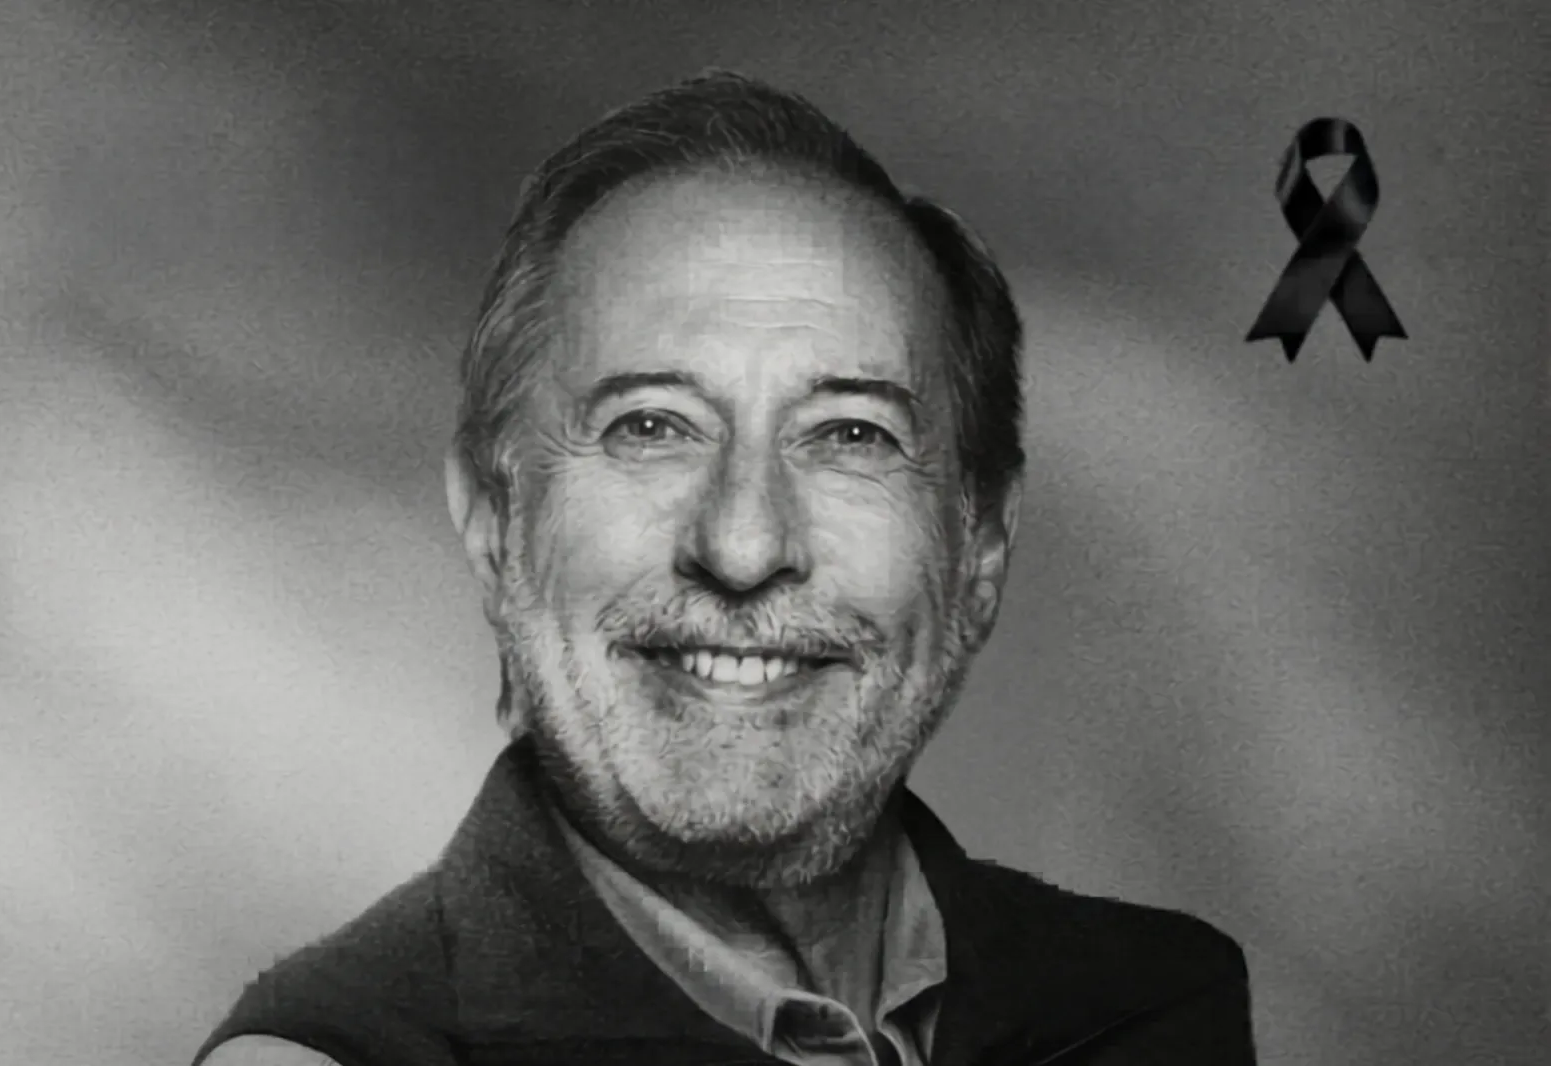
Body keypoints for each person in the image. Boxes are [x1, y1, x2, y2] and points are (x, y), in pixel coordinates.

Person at [194, 70, 1256, 1066]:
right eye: (650, 425)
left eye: (851, 435)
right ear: (492, 523)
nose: (743, 547)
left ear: (980, 549)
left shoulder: (1152, 1006)